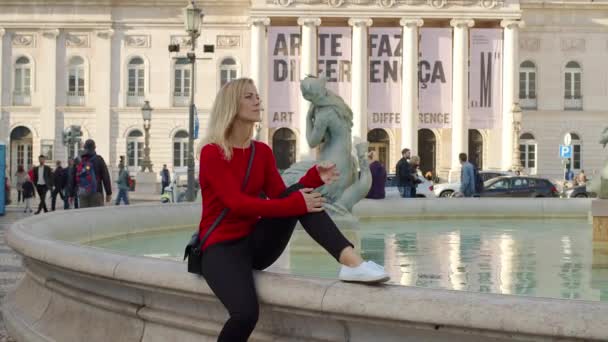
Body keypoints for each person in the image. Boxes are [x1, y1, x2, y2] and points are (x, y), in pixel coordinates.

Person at [198, 78, 389, 342]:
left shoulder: (261, 152)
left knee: (300, 196)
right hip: (220, 249)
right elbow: (237, 203)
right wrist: (298, 200)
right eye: (249, 97)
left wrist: (313, 178)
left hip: (254, 245)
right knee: (244, 314)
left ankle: (351, 261)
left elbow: (280, 196)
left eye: (257, 96)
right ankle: (352, 262)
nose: (258, 101)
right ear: (232, 106)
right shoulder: (212, 153)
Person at [76, 139, 112, 208]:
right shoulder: (99, 159)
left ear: (84, 148)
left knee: (84, 215)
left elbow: (74, 175)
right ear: (94, 147)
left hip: (83, 193)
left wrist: (71, 194)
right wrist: (108, 193)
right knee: (96, 216)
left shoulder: (79, 160)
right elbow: (106, 176)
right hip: (97, 192)